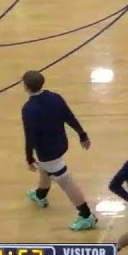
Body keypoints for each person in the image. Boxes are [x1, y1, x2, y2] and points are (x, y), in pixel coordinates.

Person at [20, 70, 96, 230]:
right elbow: (69, 116)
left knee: (66, 182)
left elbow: (30, 135)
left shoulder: (28, 109)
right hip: (61, 144)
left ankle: (86, 215)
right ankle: (40, 195)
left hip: (47, 151)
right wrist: (82, 134)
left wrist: (29, 157)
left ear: (26, 87)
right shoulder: (55, 97)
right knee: (45, 169)